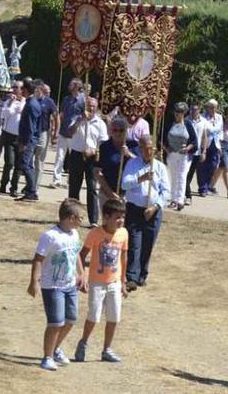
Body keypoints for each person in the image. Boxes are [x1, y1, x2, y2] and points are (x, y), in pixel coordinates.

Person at [27, 198, 86, 371]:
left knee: (71, 319)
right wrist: (34, 282)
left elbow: (76, 256)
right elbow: (38, 260)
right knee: (55, 323)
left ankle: (55, 348)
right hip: (52, 287)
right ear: (70, 218)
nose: (82, 220)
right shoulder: (50, 236)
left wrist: (81, 274)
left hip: (70, 285)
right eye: (79, 217)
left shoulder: (74, 234)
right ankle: (47, 357)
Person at [74, 199, 130, 363]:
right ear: (106, 217)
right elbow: (82, 254)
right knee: (94, 316)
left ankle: (107, 349)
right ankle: (83, 343)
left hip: (114, 282)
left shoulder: (123, 233)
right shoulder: (95, 234)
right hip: (97, 282)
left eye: (122, 217)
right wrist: (82, 275)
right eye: (117, 217)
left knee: (114, 317)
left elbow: (124, 256)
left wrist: (123, 280)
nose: (120, 220)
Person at [121, 135, 170, 291]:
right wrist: (140, 178)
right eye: (144, 148)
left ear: (155, 149)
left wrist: (155, 207)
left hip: (153, 211)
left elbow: (166, 191)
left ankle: (142, 275)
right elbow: (125, 183)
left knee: (148, 243)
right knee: (135, 243)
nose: (147, 151)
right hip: (135, 209)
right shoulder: (132, 164)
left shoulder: (160, 167)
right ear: (139, 149)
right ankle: (131, 277)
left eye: (150, 148)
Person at [67, 97, 108, 224]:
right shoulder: (77, 118)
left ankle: (93, 220)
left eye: (93, 106)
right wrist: (80, 120)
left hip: (91, 157)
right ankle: (72, 216)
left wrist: (94, 150)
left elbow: (103, 144)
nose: (90, 108)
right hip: (76, 155)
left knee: (91, 188)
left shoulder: (100, 123)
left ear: (96, 108)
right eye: (88, 105)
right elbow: (69, 132)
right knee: (74, 187)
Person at [52, 78, 85, 188]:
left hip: (75, 133)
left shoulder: (83, 100)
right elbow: (61, 114)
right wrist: (56, 129)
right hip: (63, 131)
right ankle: (57, 179)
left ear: (76, 86)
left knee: (73, 158)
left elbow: (85, 116)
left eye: (71, 84)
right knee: (59, 156)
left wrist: (77, 122)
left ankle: (71, 180)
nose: (69, 86)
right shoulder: (66, 99)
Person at [164, 103, 197, 210]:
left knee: (182, 176)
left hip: (184, 155)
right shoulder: (169, 124)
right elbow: (161, 139)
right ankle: (173, 200)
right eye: (176, 111)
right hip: (172, 154)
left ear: (184, 113)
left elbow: (194, 141)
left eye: (180, 112)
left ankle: (180, 200)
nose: (177, 114)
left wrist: (187, 148)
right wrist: (166, 149)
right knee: (173, 176)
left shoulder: (188, 124)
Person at [16, 79, 42, 201]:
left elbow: (31, 126)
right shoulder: (33, 102)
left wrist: (25, 143)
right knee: (28, 165)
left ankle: (31, 191)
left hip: (29, 140)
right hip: (31, 139)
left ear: (25, 90)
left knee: (25, 165)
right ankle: (30, 190)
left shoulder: (31, 104)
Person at [0, 80, 24, 195]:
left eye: (16, 87)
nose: (14, 89)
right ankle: (3, 184)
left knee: (19, 164)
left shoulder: (27, 102)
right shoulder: (9, 101)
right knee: (9, 162)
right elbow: (3, 114)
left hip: (21, 137)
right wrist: (10, 104)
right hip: (8, 135)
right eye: (13, 87)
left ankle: (14, 187)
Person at [197, 99, 223, 196]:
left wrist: (220, 145)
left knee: (213, 165)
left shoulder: (219, 117)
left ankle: (207, 185)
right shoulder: (202, 117)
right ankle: (202, 188)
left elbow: (220, 131)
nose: (212, 109)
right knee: (202, 166)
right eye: (210, 107)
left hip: (215, 144)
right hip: (204, 143)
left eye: (214, 107)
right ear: (207, 107)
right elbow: (206, 129)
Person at [184, 104, 208, 206]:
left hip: (197, 153)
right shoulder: (186, 120)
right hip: (187, 152)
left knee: (189, 175)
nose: (193, 112)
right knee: (185, 175)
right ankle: (188, 196)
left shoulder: (203, 121)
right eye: (191, 110)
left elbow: (204, 137)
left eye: (195, 110)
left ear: (199, 111)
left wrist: (204, 152)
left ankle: (185, 195)